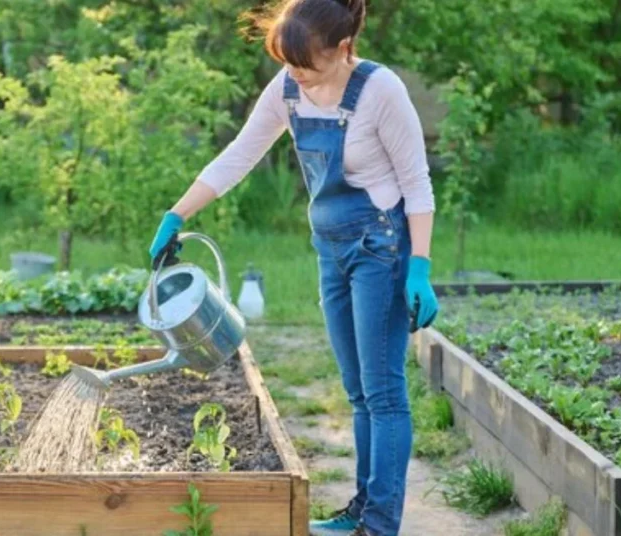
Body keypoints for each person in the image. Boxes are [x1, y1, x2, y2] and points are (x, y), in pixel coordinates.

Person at [147, 0, 440, 535]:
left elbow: (417, 184)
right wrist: (177, 212)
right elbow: (239, 154)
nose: (298, 77)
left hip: (383, 249)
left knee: (383, 391)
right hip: (331, 248)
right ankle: (362, 511)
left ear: (343, 48)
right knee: (356, 390)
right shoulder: (287, 88)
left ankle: (379, 525)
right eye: (289, 64)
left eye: (308, 65)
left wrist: (418, 266)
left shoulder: (381, 91)